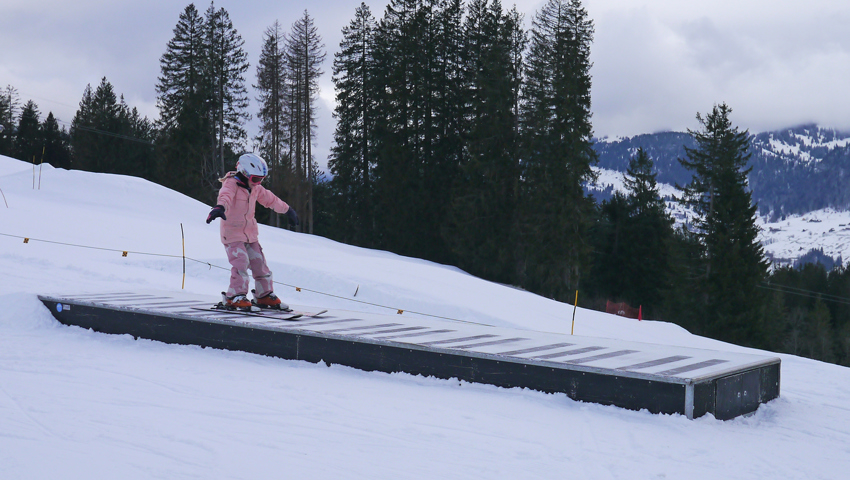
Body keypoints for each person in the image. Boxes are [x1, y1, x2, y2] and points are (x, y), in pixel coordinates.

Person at [206, 153, 299, 310]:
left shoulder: (255, 188)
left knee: (260, 264)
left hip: (250, 234)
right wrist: (219, 207)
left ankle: (264, 296)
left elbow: (271, 200)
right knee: (241, 262)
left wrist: (288, 211)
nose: (258, 183)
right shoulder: (231, 184)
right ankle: (234, 296)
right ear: (244, 173)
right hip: (232, 234)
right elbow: (225, 197)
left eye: (261, 179)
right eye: (256, 179)